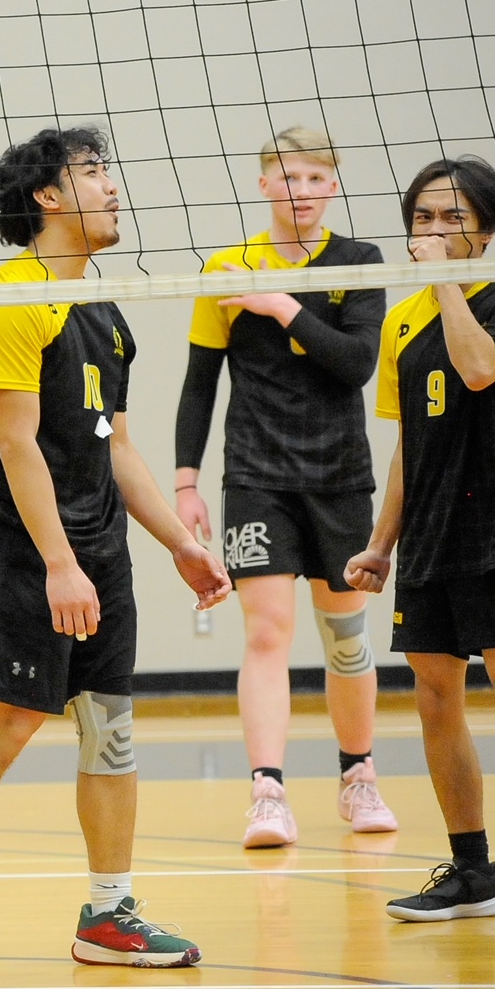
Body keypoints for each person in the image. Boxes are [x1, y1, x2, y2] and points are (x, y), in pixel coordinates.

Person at [0, 128, 230, 983]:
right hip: (27, 547)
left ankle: (109, 913)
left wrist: (179, 543)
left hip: (99, 545)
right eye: (95, 172)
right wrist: (61, 564)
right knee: (13, 720)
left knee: (109, 725)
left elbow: (116, 449)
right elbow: (16, 441)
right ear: (48, 197)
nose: (113, 186)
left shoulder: (101, 313)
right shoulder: (11, 299)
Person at [172, 129, 395, 848]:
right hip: (257, 475)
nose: (299, 189)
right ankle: (267, 791)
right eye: (286, 177)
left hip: (338, 475)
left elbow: (357, 364)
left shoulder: (360, 262)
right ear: (264, 185)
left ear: (332, 187)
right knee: (267, 631)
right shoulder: (226, 268)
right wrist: (186, 483)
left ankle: (358, 775)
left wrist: (281, 305)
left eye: (313, 177)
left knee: (345, 635)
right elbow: (199, 383)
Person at [346, 159, 495, 920]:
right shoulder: (402, 320)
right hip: (432, 535)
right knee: (436, 695)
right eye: (423, 220)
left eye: (453, 219)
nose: (435, 232)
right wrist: (383, 543)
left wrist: (447, 278)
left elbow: (479, 370)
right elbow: (410, 442)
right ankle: (474, 873)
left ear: (487, 226)